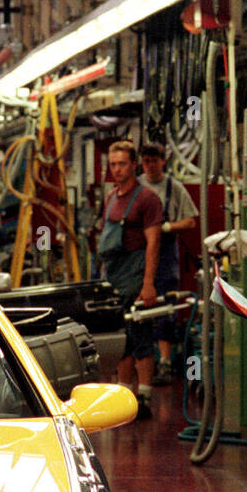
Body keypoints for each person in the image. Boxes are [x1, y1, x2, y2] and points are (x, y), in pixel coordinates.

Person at [93, 140, 163, 419]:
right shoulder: (111, 197)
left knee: (141, 335)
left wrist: (148, 283)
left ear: (134, 165)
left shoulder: (147, 199)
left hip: (136, 274)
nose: (117, 169)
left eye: (122, 164)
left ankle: (144, 396)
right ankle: (124, 395)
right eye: (113, 164)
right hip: (112, 276)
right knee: (120, 337)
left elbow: (154, 242)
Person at [138, 141, 199, 385]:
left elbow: (191, 221)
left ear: (163, 161)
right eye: (146, 161)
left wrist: (167, 226)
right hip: (139, 252)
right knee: (139, 309)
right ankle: (143, 360)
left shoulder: (175, 188)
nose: (151, 165)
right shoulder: (137, 187)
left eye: (155, 160)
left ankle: (164, 361)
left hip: (166, 253)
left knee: (166, 306)